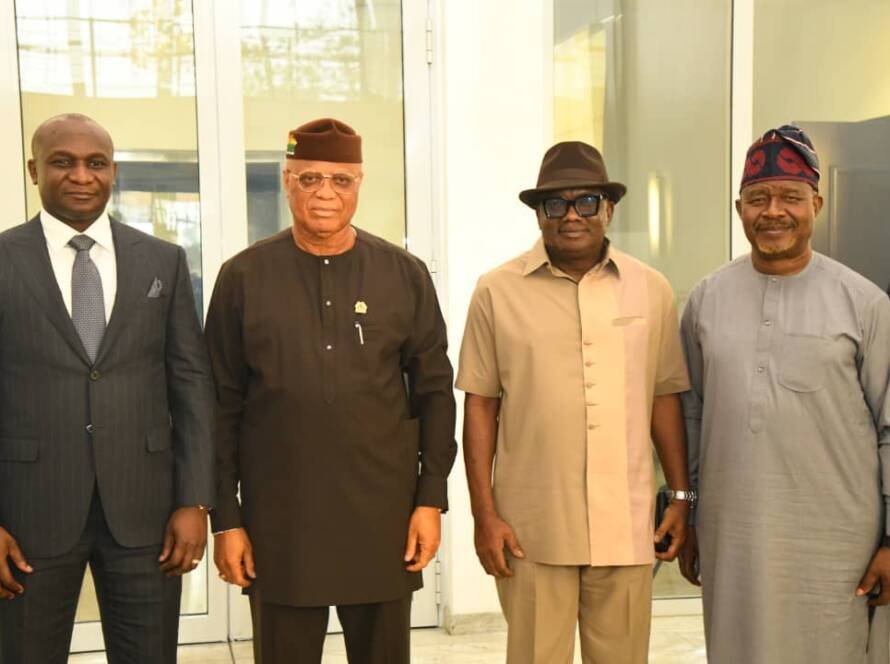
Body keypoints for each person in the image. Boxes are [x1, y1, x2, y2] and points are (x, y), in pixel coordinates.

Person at [205, 118, 456, 664]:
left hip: (383, 516)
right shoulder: (242, 278)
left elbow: (435, 392)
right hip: (281, 521)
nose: (325, 194)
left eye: (340, 181)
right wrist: (227, 517)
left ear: (360, 182)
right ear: (287, 179)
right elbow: (219, 406)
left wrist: (430, 498)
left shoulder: (404, 274)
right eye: (310, 178)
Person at [457, 141, 692, 664]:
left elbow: (664, 397)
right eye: (554, 204)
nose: (570, 216)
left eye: (586, 202)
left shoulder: (650, 289)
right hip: (532, 529)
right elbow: (479, 407)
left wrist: (681, 496)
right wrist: (484, 514)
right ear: (538, 214)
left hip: (627, 525)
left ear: (609, 208)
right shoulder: (496, 292)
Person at [0, 113, 215, 663]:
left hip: (146, 513)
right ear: (33, 170)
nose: (81, 175)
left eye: (95, 163)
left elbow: (189, 382)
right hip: (28, 515)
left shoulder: (161, 259)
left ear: (112, 171)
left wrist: (194, 499)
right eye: (62, 162)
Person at [679, 125, 890, 663]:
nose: (774, 211)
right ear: (739, 207)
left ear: (815, 203)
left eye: (790, 196)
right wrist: (691, 511)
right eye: (758, 197)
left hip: (837, 543)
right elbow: (694, 417)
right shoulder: (706, 300)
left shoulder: (864, 303)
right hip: (734, 535)